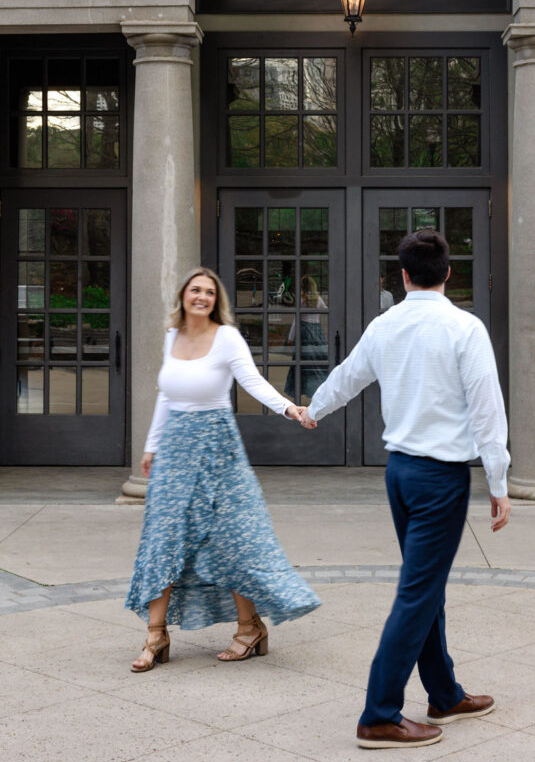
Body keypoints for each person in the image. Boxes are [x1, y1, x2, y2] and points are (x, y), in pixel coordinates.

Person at [300, 230, 511, 749]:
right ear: (448, 273)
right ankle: (379, 714)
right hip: (441, 478)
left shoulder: (384, 324)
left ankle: (444, 694)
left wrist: (313, 410)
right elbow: (488, 409)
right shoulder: (465, 327)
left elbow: (348, 377)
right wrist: (499, 480)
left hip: (399, 474)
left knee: (426, 584)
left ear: (400, 276)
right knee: (418, 593)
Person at [125, 266, 320, 672]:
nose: (201, 297)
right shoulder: (171, 338)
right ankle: (155, 636)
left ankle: (249, 628)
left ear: (217, 300)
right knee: (163, 538)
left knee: (230, 538)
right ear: (183, 296)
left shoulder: (227, 337)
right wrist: (151, 445)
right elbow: (166, 394)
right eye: (195, 290)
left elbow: (252, 380)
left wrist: (289, 407)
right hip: (175, 449)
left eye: (209, 292)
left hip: (217, 447)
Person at [284, 274, 329, 400]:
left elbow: (296, 320)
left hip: (304, 332)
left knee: (301, 365)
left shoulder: (302, 300)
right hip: (317, 331)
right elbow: (327, 311)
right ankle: (319, 392)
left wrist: (290, 337)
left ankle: (298, 393)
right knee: (318, 362)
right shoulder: (318, 299)